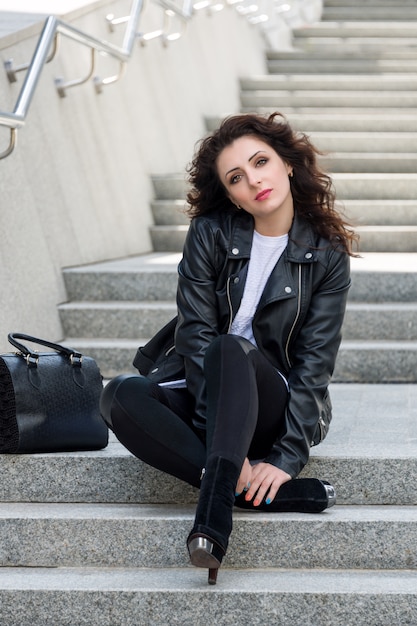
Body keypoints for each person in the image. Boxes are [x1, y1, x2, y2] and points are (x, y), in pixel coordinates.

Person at [100, 112, 358, 585]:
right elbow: (194, 333)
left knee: (230, 349)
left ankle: (213, 514)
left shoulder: (326, 254)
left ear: (287, 164)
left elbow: (314, 365)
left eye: (261, 162)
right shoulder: (211, 233)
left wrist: (284, 457)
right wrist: (222, 435)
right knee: (119, 394)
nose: (254, 180)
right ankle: (241, 490)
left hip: (271, 404)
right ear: (229, 192)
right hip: (209, 396)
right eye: (236, 177)